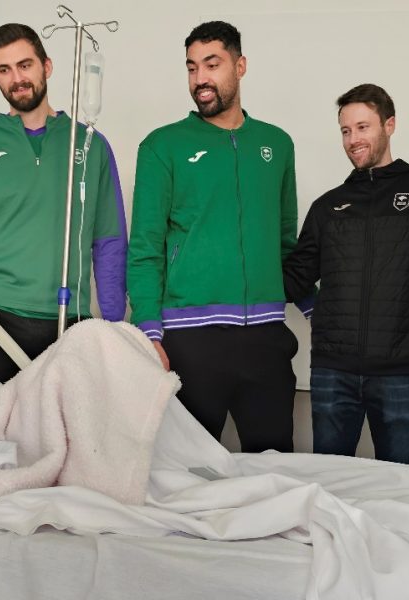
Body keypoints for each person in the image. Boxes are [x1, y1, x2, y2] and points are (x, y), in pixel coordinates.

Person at [127, 21, 299, 453]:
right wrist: (149, 332)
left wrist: (320, 307)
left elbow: (285, 243)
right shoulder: (161, 147)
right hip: (190, 343)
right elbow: (144, 249)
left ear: (240, 66)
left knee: (275, 473)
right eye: (191, 67)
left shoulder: (277, 145)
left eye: (212, 64)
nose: (200, 78)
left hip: (266, 339)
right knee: (188, 479)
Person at [0, 23, 127, 382]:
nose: (16, 79)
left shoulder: (89, 146)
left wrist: (114, 328)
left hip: (67, 318)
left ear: (47, 67)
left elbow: (109, 242)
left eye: (25, 65)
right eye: (3, 70)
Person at [281, 84, 409, 464]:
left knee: (401, 487)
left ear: (389, 125)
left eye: (363, 127)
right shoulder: (326, 207)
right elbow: (295, 280)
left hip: (401, 373)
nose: (353, 139)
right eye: (345, 130)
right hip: (332, 373)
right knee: (332, 488)